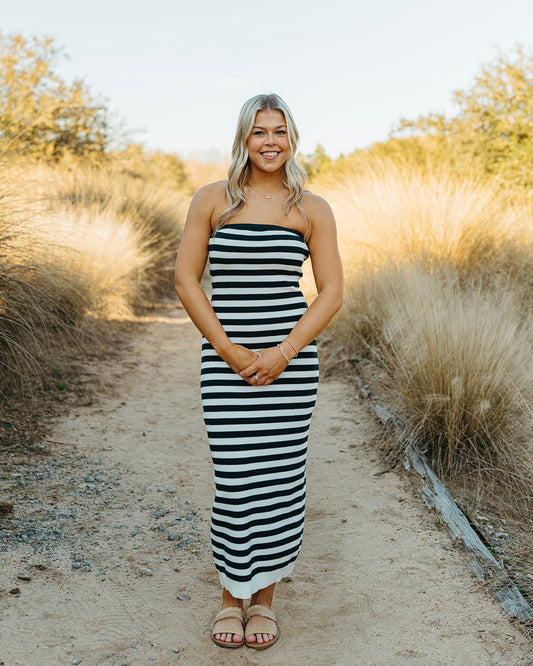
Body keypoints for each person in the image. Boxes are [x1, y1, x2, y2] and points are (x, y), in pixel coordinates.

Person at [174, 93, 343, 650]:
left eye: (280, 131)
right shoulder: (212, 200)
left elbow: (332, 293)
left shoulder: (312, 208)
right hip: (226, 366)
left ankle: (264, 598)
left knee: (280, 480)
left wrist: (284, 352)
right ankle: (230, 595)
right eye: (258, 132)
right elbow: (186, 281)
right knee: (236, 478)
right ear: (243, 138)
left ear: (292, 138)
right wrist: (228, 350)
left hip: (290, 368)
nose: (270, 141)